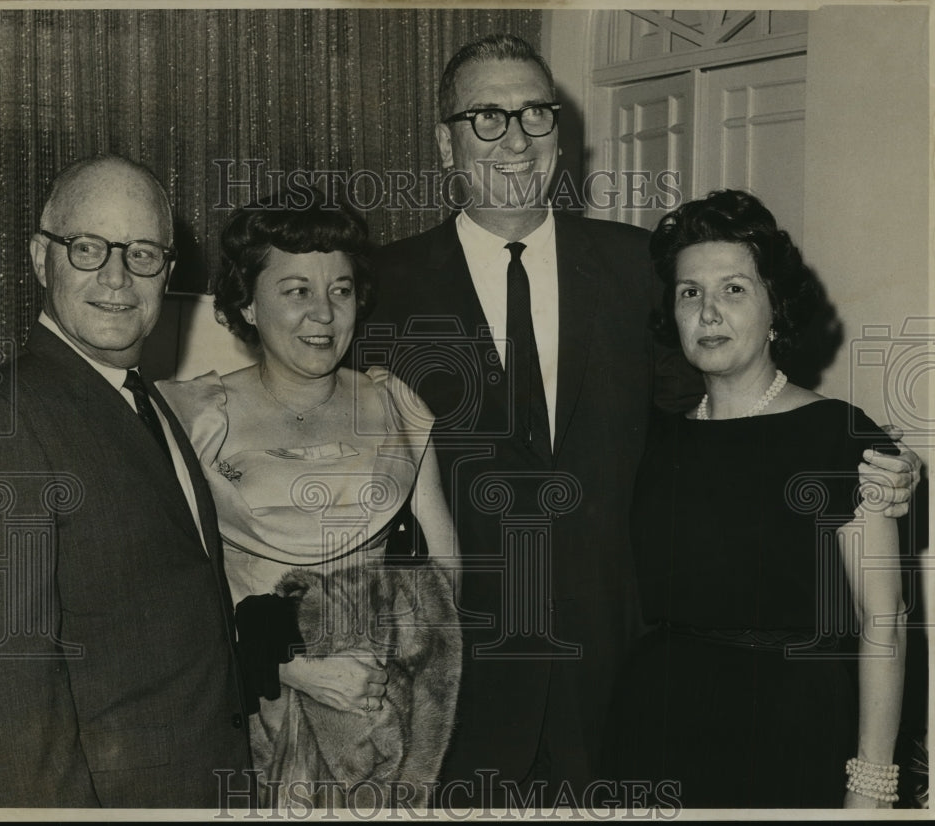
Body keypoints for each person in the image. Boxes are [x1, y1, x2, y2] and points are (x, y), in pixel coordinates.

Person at [362, 33, 920, 806]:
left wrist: (887, 470)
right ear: (444, 143)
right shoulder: (382, 290)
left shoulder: (639, 270)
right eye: (487, 117)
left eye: (535, 115)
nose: (517, 139)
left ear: (562, 133)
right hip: (462, 691)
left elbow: (733, 421)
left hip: (624, 686)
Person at [0, 155, 251, 807]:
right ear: (39, 258)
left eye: (142, 253)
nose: (116, 277)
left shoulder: (147, 402)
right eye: (88, 248)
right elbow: (1, 699)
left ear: (167, 272)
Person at [157, 190, 461, 808]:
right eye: (297, 291)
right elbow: (167, 590)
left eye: (341, 290)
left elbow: (447, 578)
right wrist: (293, 667)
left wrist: (380, 668)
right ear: (246, 300)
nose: (324, 313)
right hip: (244, 713)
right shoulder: (189, 415)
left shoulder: (395, 407)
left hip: (379, 719)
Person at [604, 189, 906, 809]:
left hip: (792, 733)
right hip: (655, 730)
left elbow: (885, 618)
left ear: (776, 309)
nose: (708, 312)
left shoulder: (838, 436)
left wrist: (871, 784)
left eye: (734, 289)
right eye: (690, 293)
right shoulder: (655, 438)